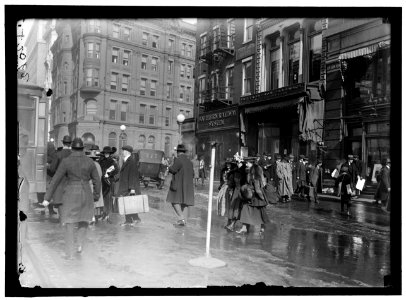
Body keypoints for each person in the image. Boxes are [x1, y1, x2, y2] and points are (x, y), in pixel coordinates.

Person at [43, 138, 101, 259]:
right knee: (84, 219)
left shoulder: (66, 161)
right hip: (86, 193)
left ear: (72, 148)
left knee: (69, 222)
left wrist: (47, 198)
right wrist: (96, 196)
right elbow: (97, 180)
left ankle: (69, 253)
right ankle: (79, 245)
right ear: (83, 148)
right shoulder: (90, 162)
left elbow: (56, 179)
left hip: (70, 194)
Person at [238, 161, 270, 235]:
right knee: (250, 211)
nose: (246, 164)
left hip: (254, 196)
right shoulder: (252, 174)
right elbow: (257, 188)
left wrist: (261, 197)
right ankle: (246, 228)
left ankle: (259, 228)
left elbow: (257, 188)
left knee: (253, 211)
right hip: (254, 196)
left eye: (248, 163)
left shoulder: (252, 174)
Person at [166, 144, 194, 227]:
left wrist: (168, 167)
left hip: (178, 184)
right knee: (184, 203)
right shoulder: (189, 161)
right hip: (188, 185)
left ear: (178, 152)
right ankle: (184, 221)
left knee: (174, 200)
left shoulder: (178, 160)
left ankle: (181, 218)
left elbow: (173, 170)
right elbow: (193, 173)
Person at [115, 145, 142, 226]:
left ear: (127, 152)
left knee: (130, 203)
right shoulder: (127, 160)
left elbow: (133, 175)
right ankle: (128, 220)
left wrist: (132, 188)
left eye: (123, 151)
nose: (122, 152)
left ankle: (136, 219)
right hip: (125, 186)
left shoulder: (131, 161)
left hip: (129, 187)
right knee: (126, 203)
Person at [48, 135, 73, 217]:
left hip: (60, 182)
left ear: (63, 143)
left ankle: (62, 220)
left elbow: (52, 169)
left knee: (60, 201)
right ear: (70, 143)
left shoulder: (58, 154)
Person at [99, 146, 119, 223]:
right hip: (102, 182)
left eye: (108, 153)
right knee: (103, 199)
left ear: (110, 153)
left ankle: (107, 215)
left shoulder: (112, 161)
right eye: (105, 153)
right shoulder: (101, 160)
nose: (106, 154)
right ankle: (103, 214)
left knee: (108, 198)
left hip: (108, 182)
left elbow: (116, 169)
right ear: (103, 153)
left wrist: (109, 174)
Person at [87, 149, 104, 224]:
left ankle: (91, 218)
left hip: (91, 185)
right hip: (97, 185)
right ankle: (94, 217)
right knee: (96, 202)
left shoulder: (91, 165)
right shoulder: (98, 164)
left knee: (91, 202)